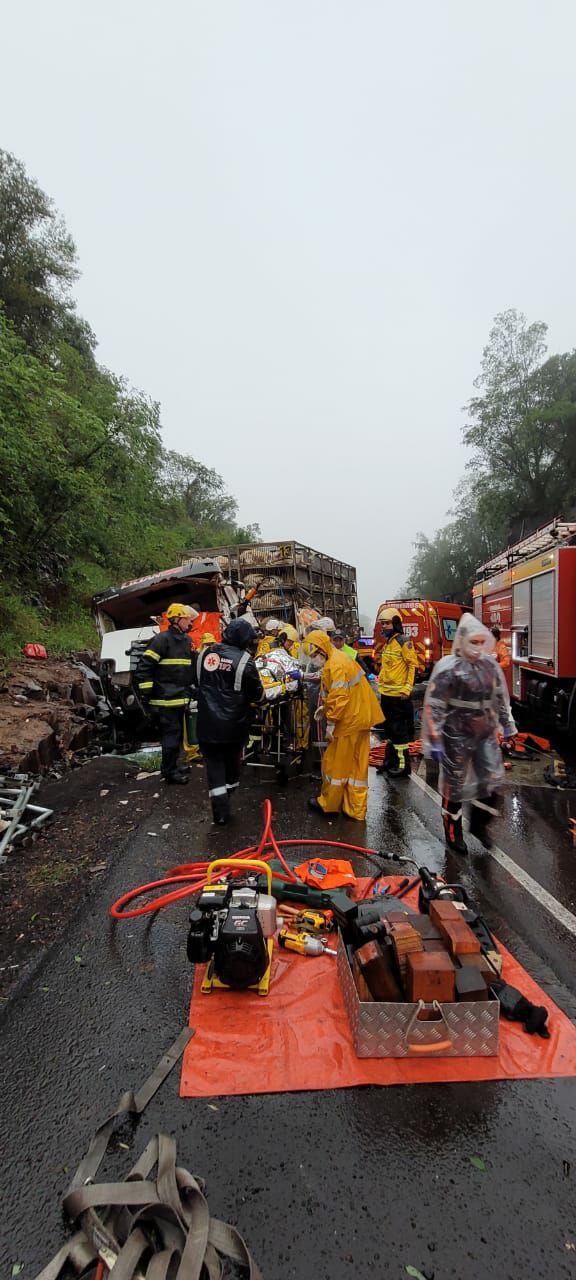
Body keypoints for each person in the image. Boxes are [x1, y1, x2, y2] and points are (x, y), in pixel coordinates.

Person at [422, 613, 517, 854]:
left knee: (492, 781)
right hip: (456, 735)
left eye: (480, 642)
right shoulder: (448, 668)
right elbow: (434, 704)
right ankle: (453, 833)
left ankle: (479, 825)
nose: (477, 647)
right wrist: (434, 738)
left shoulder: (489, 666)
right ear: (461, 641)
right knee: (454, 787)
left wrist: (508, 727)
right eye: (472, 642)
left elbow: (498, 699)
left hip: (484, 733)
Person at [306, 629, 384, 821]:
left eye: (314, 654)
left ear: (322, 650)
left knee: (335, 765)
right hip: (361, 718)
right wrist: (325, 708)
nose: (314, 658)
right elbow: (338, 694)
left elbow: (340, 697)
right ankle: (355, 809)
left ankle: (329, 804)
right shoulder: (340, 658)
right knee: (356, 767)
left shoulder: (335, 665)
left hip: (348, 721)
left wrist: (330, 724)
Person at [192, 618, 264, 824]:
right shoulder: (244, 661)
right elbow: (256, 694)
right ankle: (226, 800)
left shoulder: (204, 654)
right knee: (232, 765)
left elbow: (198, 683)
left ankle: (220, 811)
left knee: (214, 767)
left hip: (207, 724)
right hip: (234, 726)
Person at [135, 603, 198, 784]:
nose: (190, 623)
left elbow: (186, 669)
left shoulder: (186, 641)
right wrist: (146, 693)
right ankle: (169, 773)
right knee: (171, 737)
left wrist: (193, 688)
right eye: (187, 619)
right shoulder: (162, 640)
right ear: (177, 619)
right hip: (166, 701)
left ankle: (174, 766)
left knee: (177, 737)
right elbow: (144, 668)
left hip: (180, 699)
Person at [376, 607, 419, 777]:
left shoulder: (404, 641)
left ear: (395, 623)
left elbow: (412, 665)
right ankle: (390, 760)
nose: (383, 627)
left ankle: (403, 765)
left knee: (399, 732)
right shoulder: (389, 643)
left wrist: (407, 688)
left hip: (398, 697)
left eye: (386, 623)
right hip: (387, 695)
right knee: (389, 731)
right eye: (382, 623)